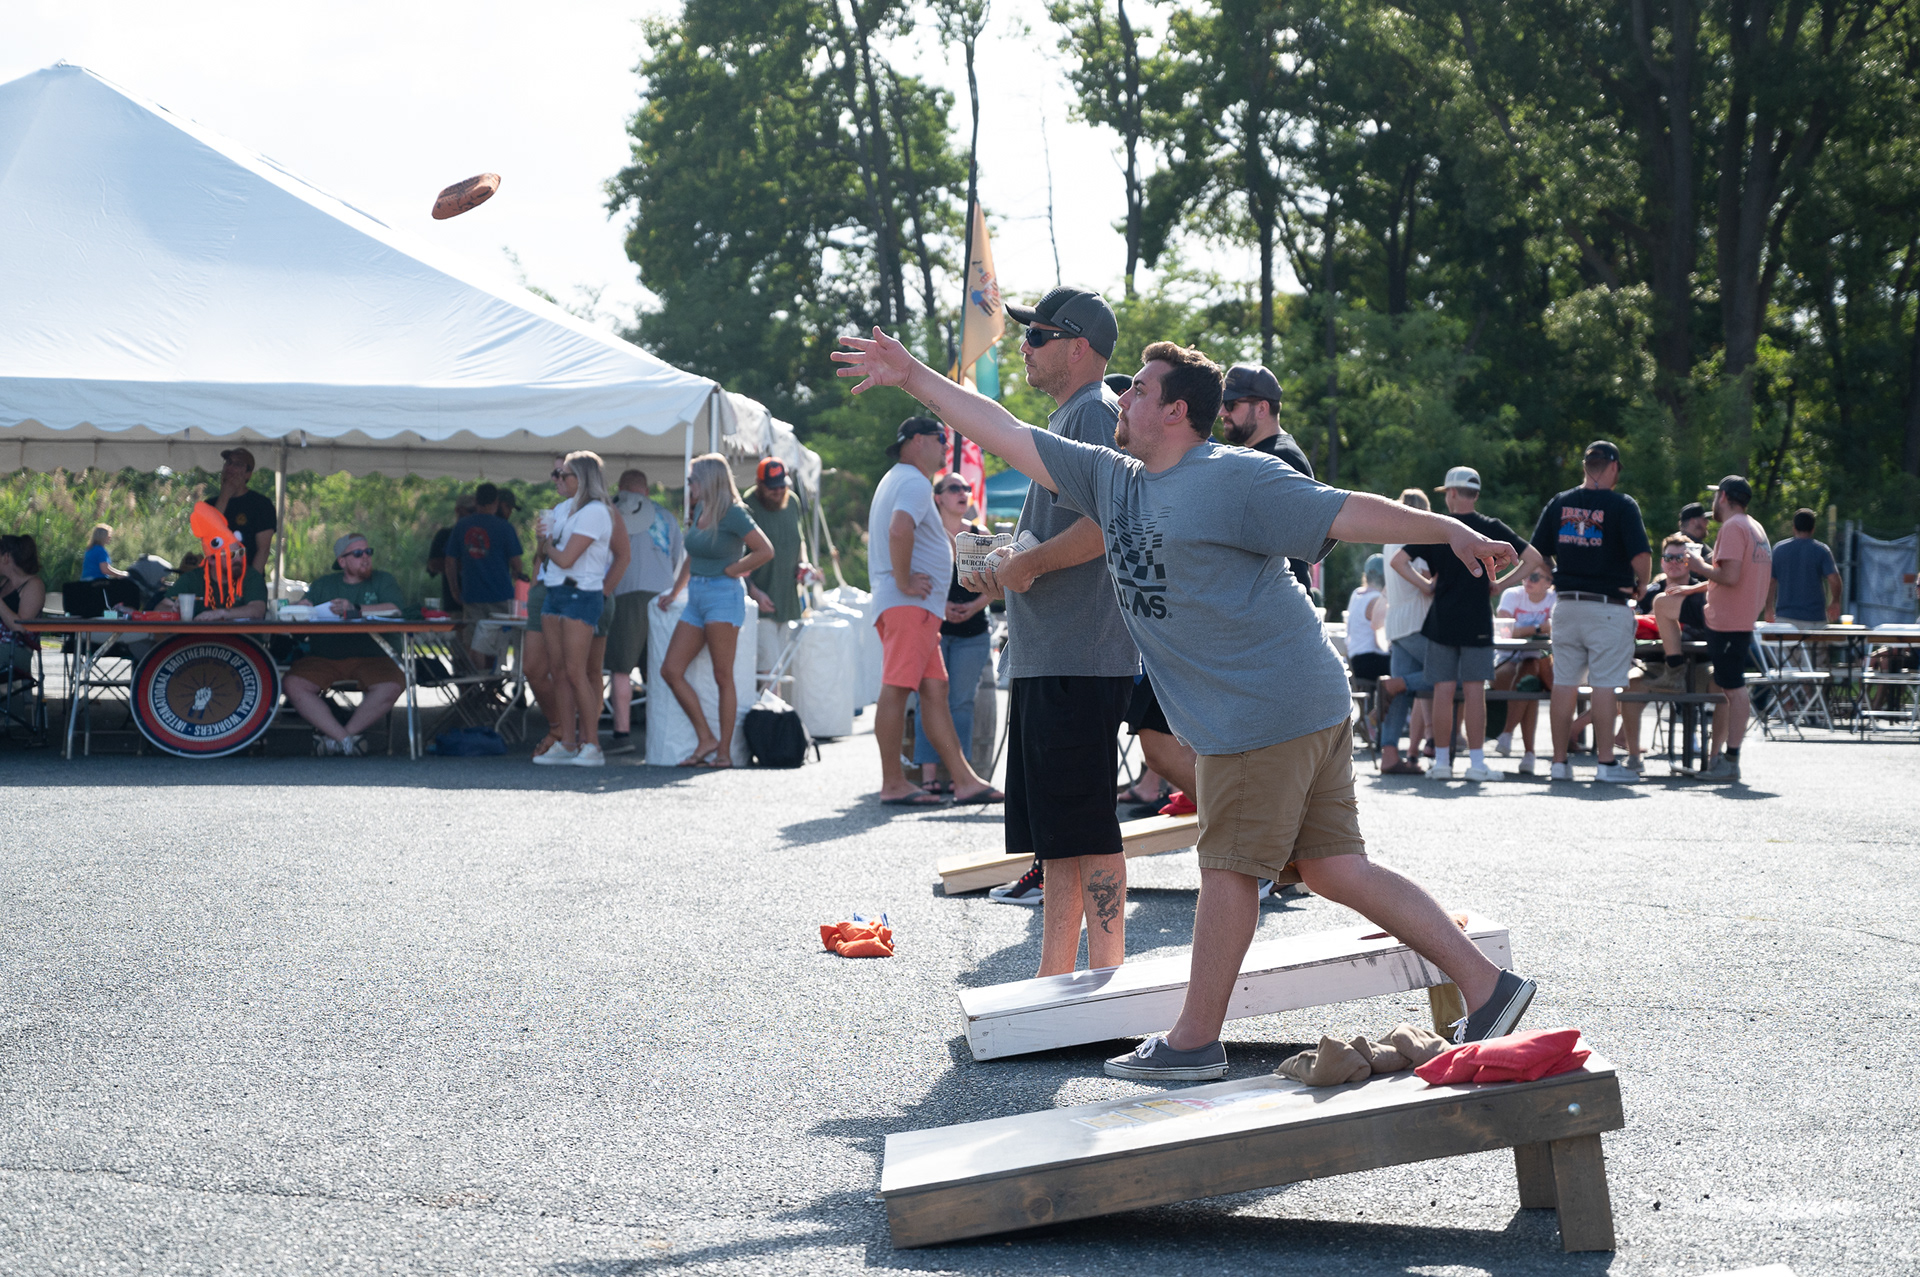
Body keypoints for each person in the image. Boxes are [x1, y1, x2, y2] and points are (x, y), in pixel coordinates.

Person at [834, 328, 1537, 1080]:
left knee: (1229, 870)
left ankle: (1194, 1042)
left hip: (1264, 707)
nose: (1122, 397)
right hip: (1294, 702)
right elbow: (1004, 430)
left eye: (1139, 389)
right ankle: (1488, 986)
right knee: (1335, 868)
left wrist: (1450, 530)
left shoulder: (1235, 477)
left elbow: (1344, 510)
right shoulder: (1113, 479)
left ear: (1176, 412)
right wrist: (912, 375)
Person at [961, 287, 1139, 975]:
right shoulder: (1075, 414)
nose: (1024, 346)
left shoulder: (1093, 412)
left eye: (1037, 335)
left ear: (1079, 347)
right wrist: (1007, 562)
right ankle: (1057, 973)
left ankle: (1107, 973)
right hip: (1060, 653)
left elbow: (1106, 527)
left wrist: (1025, 565)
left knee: (1086, 824)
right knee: (1061, 834)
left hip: (1078, 655)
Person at [864, 419, 1006, 806]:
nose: (946, 446)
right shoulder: (912, 481)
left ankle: (964, 779)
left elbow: (920, 532)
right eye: (940, 438)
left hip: (915, 608)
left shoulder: (903, 479)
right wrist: (905, 580)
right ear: (917, 441)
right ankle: (893, 782)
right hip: (909, 605)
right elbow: (899, 529)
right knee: (897, 689)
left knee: (935, 691)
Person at [1408, 467, 1544, 783]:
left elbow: (1398, 561)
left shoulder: (1439, 527)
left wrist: (1425, 585)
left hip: (1442, 618)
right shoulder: (1491, 528)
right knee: (1474, 692)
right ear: (1476, 494)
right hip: (1477, 618)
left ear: (1453, 493)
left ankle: (1442, 762)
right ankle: (1477, 763)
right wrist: (1500, 584)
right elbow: (1534, 558)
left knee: (1442, 691)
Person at [1528, 440, 1649, 784]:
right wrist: (1641, 585)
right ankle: (1605, 764)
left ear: (1584, 466)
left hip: (1566, 605)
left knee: (1564, 683)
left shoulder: (1560, 503)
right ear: (1613, 467)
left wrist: (1556, 574)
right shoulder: (1622, 505)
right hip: (1607, 606)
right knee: (1605, 684)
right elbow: (1641, 556)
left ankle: (1559, 763)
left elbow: (1536, 552)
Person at [656, 454, 775, 768]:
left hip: (723, 596)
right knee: (670, 670)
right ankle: (706, 738)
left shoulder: (733, 513)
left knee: (723, 676)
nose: (689, 485)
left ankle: (723, 752)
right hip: (696, 597)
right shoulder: (700, 509)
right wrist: (675, 591)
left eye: (692, 479)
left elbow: (765, 550)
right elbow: (692, 556)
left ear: (707, 480)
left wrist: (734, 569)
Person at [909, 471, 998, 794]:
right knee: (928, 701)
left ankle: (961, 777)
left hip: (973, 629)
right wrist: (942, 605)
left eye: (966, 488)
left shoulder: (980, 533)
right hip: (933, 627)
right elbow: (914, 577)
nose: (962, 493)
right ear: (938, 497)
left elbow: (997, 581)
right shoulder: (925, 533)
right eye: (954, 488)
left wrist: (973, 607)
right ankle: (929, 775)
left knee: (961, 703)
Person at [533, 451, 619, 767]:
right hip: (555, 591)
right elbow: (546, 554)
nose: (557, 479)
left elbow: (567, 558)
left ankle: (592, 744)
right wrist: (542, 541)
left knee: (575, 671)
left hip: (580, 593)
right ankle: (568, 742)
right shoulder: (563, 509)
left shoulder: (596, 511)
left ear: (581, 479)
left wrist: (546, 545)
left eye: (563, 474)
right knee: (559, 671)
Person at [1681, 476, 1770, 782]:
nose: (1713, 503)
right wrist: (1696, 587)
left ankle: (1730, 761)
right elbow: (1741, 577)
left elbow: (1729, 576)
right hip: (1740, 619)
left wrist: (1697, 566)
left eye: (1715, 496)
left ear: (1723, 496)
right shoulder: (1755, 527)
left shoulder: (1732, 527)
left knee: (1733, 688)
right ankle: (1721, 759)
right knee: (1729, 687)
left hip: (1729, 621)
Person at [284, 534, 407, 756]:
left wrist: (356, 609)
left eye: (368, 552)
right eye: (358, 553)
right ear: (342, 561)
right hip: (325, 658)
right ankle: (345, 740)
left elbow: (396, 609)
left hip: (375, 658)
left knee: (392, 685)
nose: (366, 557)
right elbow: (300, 618)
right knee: (293, 684)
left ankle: (340, 738)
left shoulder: (383, 580)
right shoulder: (323, 584)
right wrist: (301, 608)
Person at [605, 469, 684, 754]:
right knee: (659, 669)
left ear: (620, 489)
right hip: (663, 599)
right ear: (647, 491)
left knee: (621, 669)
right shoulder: (667, 518)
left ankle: (622, 734)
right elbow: (678, 561)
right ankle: (661, 731)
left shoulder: (611, 515)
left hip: (625, 596)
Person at [1617, 533, 1708, 766]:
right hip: (1655, 665)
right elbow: (1636, 630)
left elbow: (1704, 631)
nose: (1674, 562)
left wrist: (1672, 624)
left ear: (1690, 561)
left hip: (1695, 665)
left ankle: (1717, 756)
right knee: (1629, 684)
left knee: (1724, 685)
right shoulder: (1648, 593)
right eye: (1669, 558)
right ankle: (1633, 756)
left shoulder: (1701, 592)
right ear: (1662, 562)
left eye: (1680, 558)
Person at [1380, 490, 1437, 775]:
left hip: (1396, 621)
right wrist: (1432, 583)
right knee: (1449, 674)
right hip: (1417, 620)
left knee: (1402, 691)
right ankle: (1392, 685)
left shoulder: (1390, 541)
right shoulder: (1416, 540)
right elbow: (1427, 579)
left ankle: (1389, 753)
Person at [742, 457, 814, 672]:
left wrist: (804, 564)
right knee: (770, 670)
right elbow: (736, 557)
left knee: (781, 669)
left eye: (782, 486)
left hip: (787, 602)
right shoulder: (747, 505)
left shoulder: (792, 502)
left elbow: (799, 539)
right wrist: (754, 592)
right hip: (761, 602)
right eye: (772, 488)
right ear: (759, 484)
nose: (779, 491)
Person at [448, 483, 525, 669]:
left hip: (472, 594)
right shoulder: (505, 527)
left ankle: (477, 680)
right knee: (498, 642)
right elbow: (517, 564)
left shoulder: (462, 526)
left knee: (473, 643)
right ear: (496, 503)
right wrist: (519, 581)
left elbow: (450, 561)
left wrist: (454, 589)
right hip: (501, 595)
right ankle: (493, 678)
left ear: (476, 501)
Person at [1491, 566, 1555, 771]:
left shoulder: (1555, 599)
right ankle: (1529, 753)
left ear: (1549, 581)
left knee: (1531, 669)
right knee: (1529, 684)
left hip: (1543, 667)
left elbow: (1559, 630)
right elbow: (1503, 632)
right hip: (1506, 662)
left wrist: (1520, 631)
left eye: (1534, 576)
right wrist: (1538, 628)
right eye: (1525, 575)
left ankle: (1507, 734)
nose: (1528, 580)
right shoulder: (1512, 595)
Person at [208, 447, 277, 580]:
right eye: (228, 462)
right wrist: (225, 495)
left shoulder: (261, 504)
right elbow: (210, 536)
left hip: (248, 577)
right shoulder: (210, 504)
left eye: (238, 464)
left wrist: (250, 583)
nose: (230, 468)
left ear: (248, 474)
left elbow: (263, 550)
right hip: (216, 580)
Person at [1766, 508, 1842, 629]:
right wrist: (1835, 601)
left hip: (1785, 619)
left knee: (1785, 642)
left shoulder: (1778, 550)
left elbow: (1770, 582)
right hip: (1814, 619)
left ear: (1794, 527)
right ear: (1813, 529)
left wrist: (1769, 608)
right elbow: (1834, 579)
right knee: (1816, 643)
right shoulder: (1822, 551)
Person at [0, 534, 47, 675]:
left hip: (16, 649)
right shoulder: (4, 583)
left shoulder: (34, 585)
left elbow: (20, 628)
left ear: (6, 557)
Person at [1345, 555, 1391, 682]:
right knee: (1403, 667)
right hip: (1369, 661)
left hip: (1354, 661)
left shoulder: (1356, 593)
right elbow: (1381, 641)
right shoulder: (1377, 599)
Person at [426, 492, 478, 596]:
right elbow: (433, 565)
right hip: (453, 599)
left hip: (478, 597)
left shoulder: (480, 537)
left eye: (478, 512)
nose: (474, 516)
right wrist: (461, 565)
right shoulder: (445, 535)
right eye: (471, 511)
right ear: (458, 510)